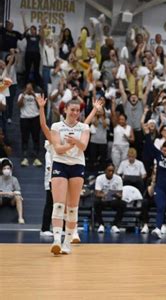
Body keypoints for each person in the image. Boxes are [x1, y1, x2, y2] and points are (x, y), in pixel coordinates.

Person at [49, 99, 90, 255]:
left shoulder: (84, 127)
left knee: (72, 207)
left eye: (77, 110)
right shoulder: (56, 126)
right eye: (72, 109)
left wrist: (76, 142)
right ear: (65, 110)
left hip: (77, 165)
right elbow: (58, 149)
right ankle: (56, 241)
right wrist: (71, 145)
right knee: (58, 204)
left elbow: (84, 146)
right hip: (60, 164)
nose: (75, 113)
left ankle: (67, 242)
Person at [94, 163, 126, 234]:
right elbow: (97, 193)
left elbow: (120, 194)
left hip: (113, 200)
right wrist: (106, 195)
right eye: (109, 170)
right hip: (103, 200)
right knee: (96, 202)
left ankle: (115, 225)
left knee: (123, 204)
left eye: (112, 171)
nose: (111, 172)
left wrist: (111, 194)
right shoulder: (100, 178)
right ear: (105, 170)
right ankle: (101, 224)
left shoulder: (118, 178)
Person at [0, 160, 24, 224]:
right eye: (4, 168)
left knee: (18, 197)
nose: (6, 170)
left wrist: (16, 194)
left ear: (10, 169)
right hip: (1, 199)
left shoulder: (14, 179)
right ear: (1, 170)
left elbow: (18, 191)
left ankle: (20, 218)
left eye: (8, 168)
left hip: (11, 199)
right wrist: (7, 193)